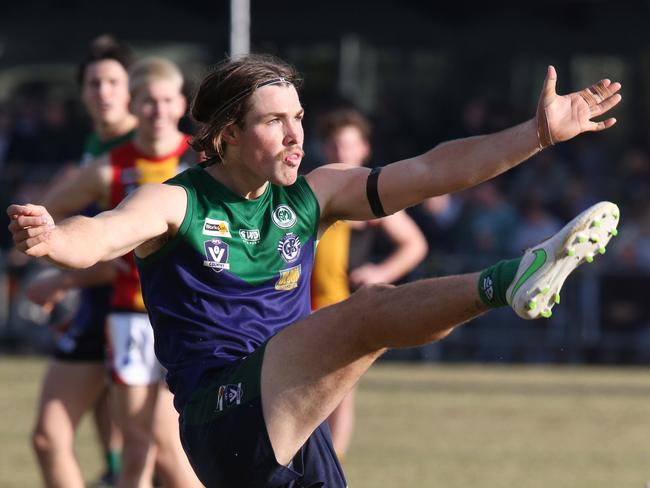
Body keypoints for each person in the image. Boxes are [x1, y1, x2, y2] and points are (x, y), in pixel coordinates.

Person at [8, 54, 622, 487]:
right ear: (226, 134)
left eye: (298, 118)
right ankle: (512, 278)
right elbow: (103, 233)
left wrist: (535, 134)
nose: (296, 135)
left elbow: (434, 171)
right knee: (370, 312)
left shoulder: (314, 195)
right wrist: (55, 237)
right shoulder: (178, 201)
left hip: (293, 426)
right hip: (222, 415)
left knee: (369, 317)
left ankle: (510, 280)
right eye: (276, 121)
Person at [29, 56, 202, 488]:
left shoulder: (202, 162)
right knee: (139, 441)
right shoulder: (110, 166)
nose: (157, 111)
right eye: (147, 101)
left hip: (191, 314)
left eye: (166, 101)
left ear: (181, 104)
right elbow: (48, 215)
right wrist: (52, 245)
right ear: (134, 104)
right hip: (130, 315)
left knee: (165, 440)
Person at [27, 35, 137, 488]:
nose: (103, 92)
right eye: (94, 83)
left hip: (139, 311)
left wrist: (62, 282)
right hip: (98, 307)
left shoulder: (147, 147)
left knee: (158, 454)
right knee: (50, 439)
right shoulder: (95, 147)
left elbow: (134, 253)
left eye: (113, 81)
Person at [311, 107, 428, 460]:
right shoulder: (312, 190)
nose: (341, 152)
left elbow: (414, 244)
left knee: (340, 397)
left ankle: (330, 472)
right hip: (299, 311)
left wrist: (380, 272)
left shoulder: (367, 195)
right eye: (333, 144)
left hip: (343, 310)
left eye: (348, 144)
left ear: (364, 148)